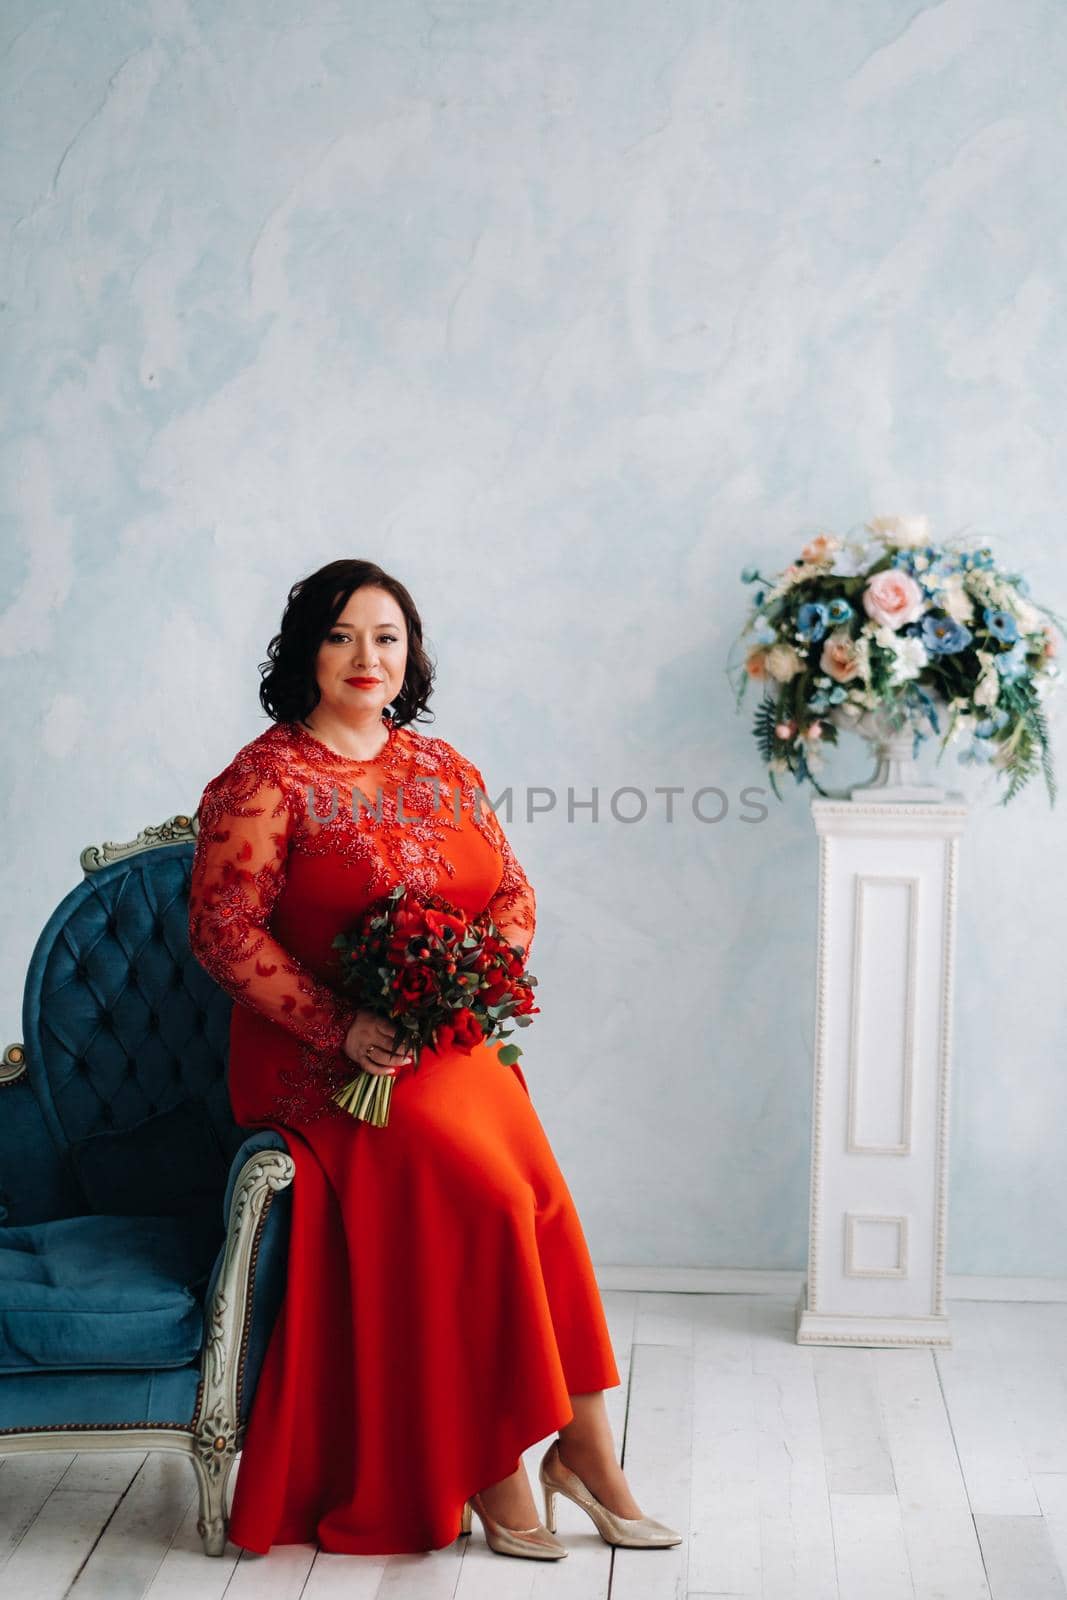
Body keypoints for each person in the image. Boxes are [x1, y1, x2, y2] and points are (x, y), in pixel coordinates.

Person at [187, 558, 681, 1559]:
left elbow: (511, 891)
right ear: (304, 653)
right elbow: (222, 928)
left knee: (536, 1194)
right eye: (340, 636)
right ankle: (492, 1458)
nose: (366, 657)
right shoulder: (264, 778)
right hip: (324, 1069)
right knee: (488, 1199)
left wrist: (466, 974)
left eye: (386, 637)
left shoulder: (440, 764)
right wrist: (342, 1026)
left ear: (409, 655)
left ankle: (586, 1450)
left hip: (446, 1044)